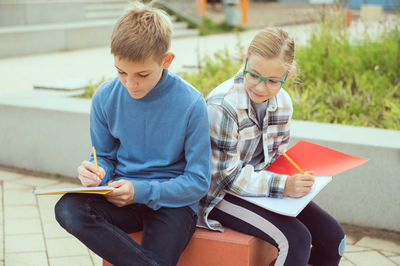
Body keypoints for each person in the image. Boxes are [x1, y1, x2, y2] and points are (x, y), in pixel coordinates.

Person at [54, 2, 211, 266]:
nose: (130, 84)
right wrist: (96, 171)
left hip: (173, 206)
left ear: (166, 60)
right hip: (121, 198)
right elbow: (104, 156)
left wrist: (139, 190)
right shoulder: (105, 97)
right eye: (121, 72)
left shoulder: (191, 103)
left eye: (142, 74)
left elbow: (198, 181)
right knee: (68, 209)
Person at [198, 28, 345, 266]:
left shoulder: (283, 102)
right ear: (245, 60)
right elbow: (225, 177)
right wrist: (284, 186)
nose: (260, 87)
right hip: (220, 195)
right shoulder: (222, 106)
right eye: (254, 75)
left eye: (273, 81)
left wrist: (297, 177)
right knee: (296, 240)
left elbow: (276, 156)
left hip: (262, 188)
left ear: (288, 75)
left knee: (334, 239)